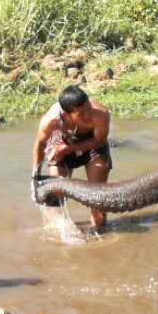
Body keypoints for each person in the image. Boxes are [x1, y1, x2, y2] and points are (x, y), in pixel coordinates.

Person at [33, 85, 112, 231]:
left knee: (97, 193)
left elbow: (99, 141)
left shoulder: (100, 115)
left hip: (91, 145)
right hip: (60, 143)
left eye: (89, 108)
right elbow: (40, 143)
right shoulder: (51, 120)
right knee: (55, 188)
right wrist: (35, 174)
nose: (88, 114)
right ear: (66, 114)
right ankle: (63, 229)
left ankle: (98, 230)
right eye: (82, 113)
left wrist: (69, 148)